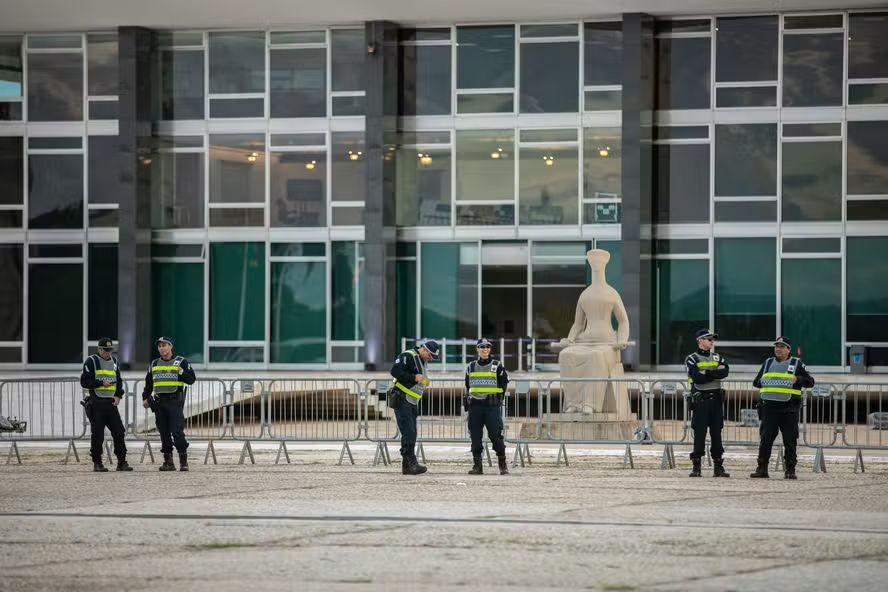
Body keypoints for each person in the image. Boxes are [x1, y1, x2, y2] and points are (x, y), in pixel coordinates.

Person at [750, 336, 815, 480]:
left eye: (781, 346)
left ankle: (790, 470)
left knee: (790, 441)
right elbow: (756, 382)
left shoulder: (796, 363)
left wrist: (797, 379)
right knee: (765, 440)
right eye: (776, 346)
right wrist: (763, 381)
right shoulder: (767, 362)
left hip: (789, 409)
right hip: (769, 408)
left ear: (788, 349)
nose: (778, 349)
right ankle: (762, 469)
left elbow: (810, 382)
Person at [141, 337, 196, 472]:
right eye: (159, 346)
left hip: (174, 402)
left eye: (164, 345)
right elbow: (149, 384)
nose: (162, 348)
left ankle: (183, 461)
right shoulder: (154, 364)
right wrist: (145, 398)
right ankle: (168, 462)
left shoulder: (181, 362)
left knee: (177, 432)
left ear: (170, 346)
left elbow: (191, 379)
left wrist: (181, 371)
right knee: (164, 433)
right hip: (159, 403)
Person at [388, 340, 439, 475]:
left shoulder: (422, 361)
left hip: (412, 401)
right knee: (409, 433)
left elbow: (420, 378)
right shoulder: (408, 356)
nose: (431, 358)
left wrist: (423, 381)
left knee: (411, 433)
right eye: (430, 355)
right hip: (402, 399)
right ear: (424, 349)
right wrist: (413, 377)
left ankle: (407, 466)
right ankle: (411, 463)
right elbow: (394, 371)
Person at [80, 338, 131, 472]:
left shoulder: (114, 361)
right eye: (106, 350)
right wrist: (100, 383)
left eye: (110, 350)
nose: (108, 353)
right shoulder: (91, 361)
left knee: (119, 432)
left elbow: (118, 381)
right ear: (99, 349)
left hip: (111, 403)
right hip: (96, 403)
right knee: (98, 435)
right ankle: (97, 463)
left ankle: (122, 462)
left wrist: (118, 395)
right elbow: (84, 382)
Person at [685, 329, 730, 478]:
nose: (712, 341)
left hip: (716, 400)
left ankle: (718, 467)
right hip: (701, 401)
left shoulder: (717, 356)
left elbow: (725, 372)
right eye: (709, 339)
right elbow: (696, 377)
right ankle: (696, 467)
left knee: (717, 433)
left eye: (712, 339)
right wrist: (714, 372)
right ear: (700, 340)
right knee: (699, 433)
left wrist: (706, 372)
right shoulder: (692, 358)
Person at [464, 338, 510, 475]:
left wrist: (497, 399)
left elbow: (504, 383)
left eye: (488, 347)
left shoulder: (497, 365)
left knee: (496, 436)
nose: (485, 349)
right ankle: (477, 466)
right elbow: (468, 385)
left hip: (491, 407)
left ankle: (502, 464)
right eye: (482, 347)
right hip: (475, 407)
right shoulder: (471, 366)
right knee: (475, 438)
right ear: (477, 349)